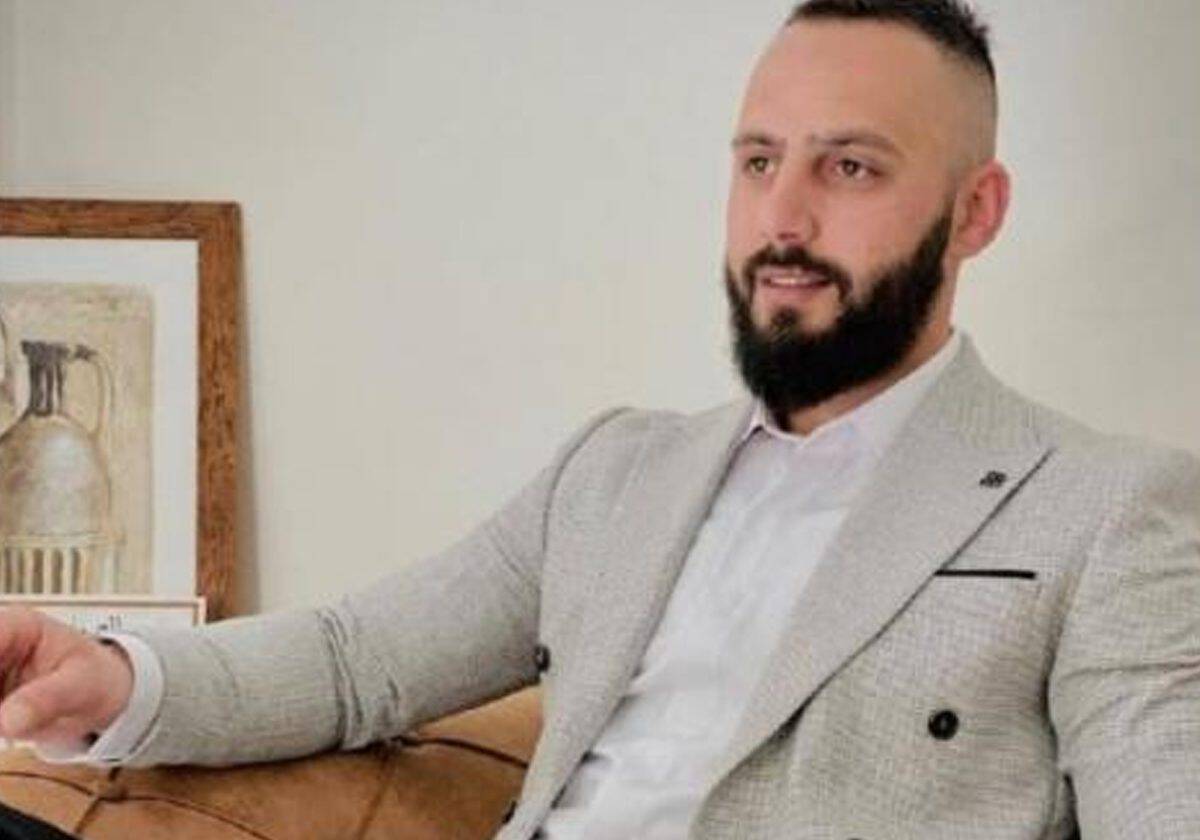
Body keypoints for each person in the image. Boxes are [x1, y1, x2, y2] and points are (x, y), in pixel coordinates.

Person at [1, 1, 1198, 837]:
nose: (782, 219)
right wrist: (107, 674)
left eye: (850, 169)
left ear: (976, 212)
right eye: (758, 161)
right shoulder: (618, 472)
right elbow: (356, 661)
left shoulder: (1106, 509)